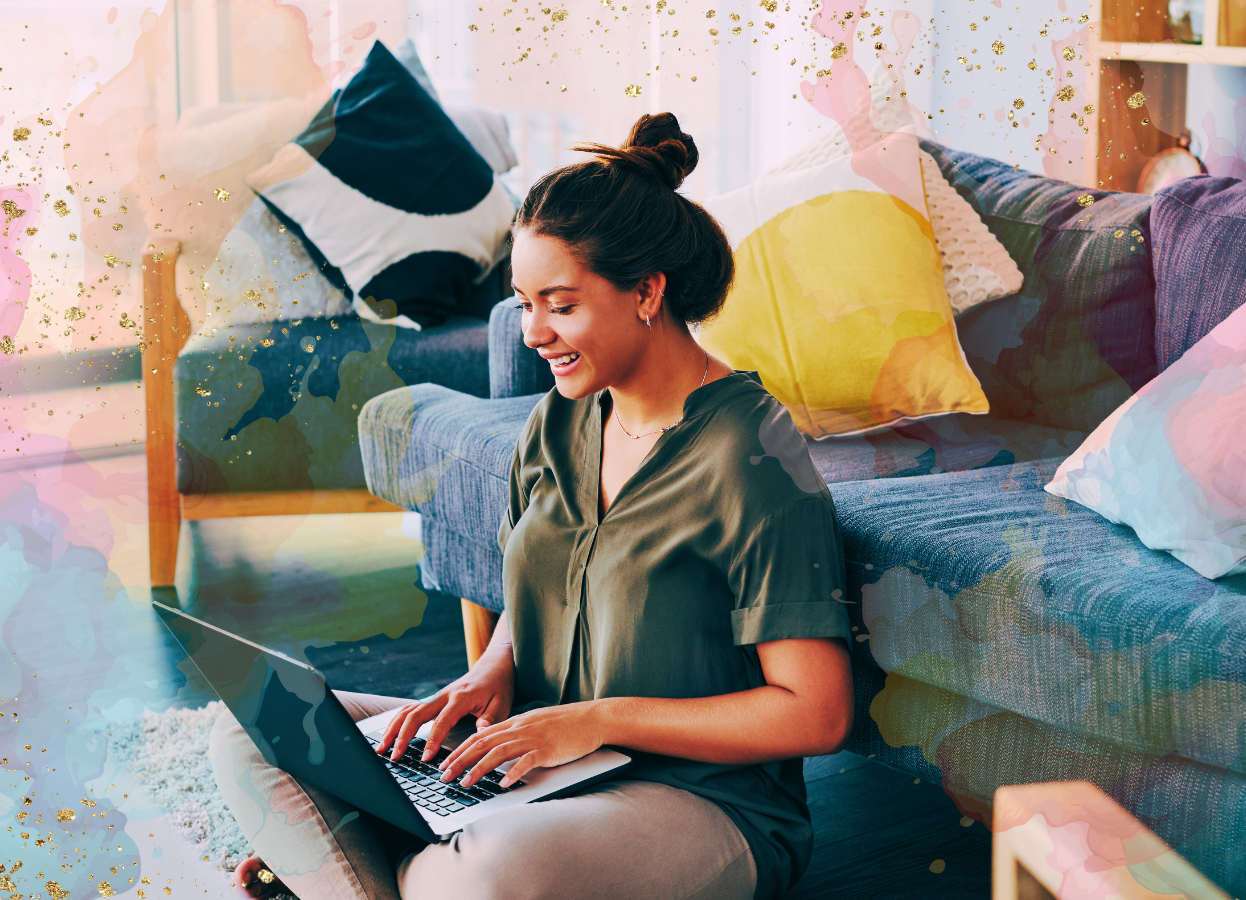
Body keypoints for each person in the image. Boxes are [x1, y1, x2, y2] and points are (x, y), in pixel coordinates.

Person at [212, 112, 855, 900]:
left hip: (700, 802)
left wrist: (597, 720)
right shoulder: (565, 415)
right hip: (532, 761)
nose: (534, 333)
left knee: (485, 875)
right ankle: (372, 875)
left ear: (647, 291)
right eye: (523, 303)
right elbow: (551, 577)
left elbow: (814, 714)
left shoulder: (754, 457)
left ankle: (344, 875)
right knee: (253, 725)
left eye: (561, 304)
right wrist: (491, 669)